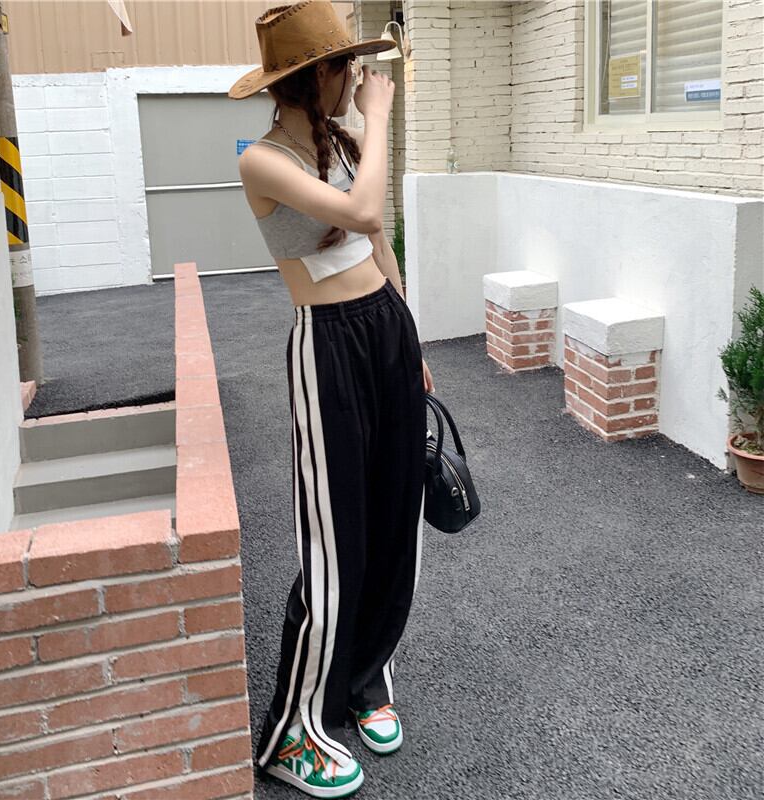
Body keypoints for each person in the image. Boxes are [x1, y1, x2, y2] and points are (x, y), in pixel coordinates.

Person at [230, 2, 434, 797]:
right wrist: (380, 116)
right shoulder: (262, 160)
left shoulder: (342, 141)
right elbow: (363, 211)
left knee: (394, 517)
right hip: (328, 346)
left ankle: (365, 678)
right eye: (347, 65)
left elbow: (378, 243)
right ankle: (292, 732)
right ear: (318, 75)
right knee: (334, 542)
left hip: (385, 330)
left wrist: (412, 339)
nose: (359, 76)